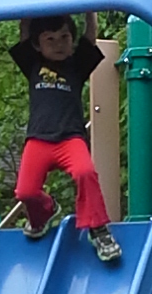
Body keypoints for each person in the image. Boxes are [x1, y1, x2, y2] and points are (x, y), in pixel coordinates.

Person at [7, 15, 122, 265]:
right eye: (50, 39)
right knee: (25, 191)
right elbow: (24, 27)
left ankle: (98, 229)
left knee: (85, 172)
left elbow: (90, 36)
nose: (58, 44)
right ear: (37, 44)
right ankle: (45, 212)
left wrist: (89, 12)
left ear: (72, 41)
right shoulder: (33, 63)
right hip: (39, 139)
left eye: (64, 38)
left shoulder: (76, 65)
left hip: (70, 138)